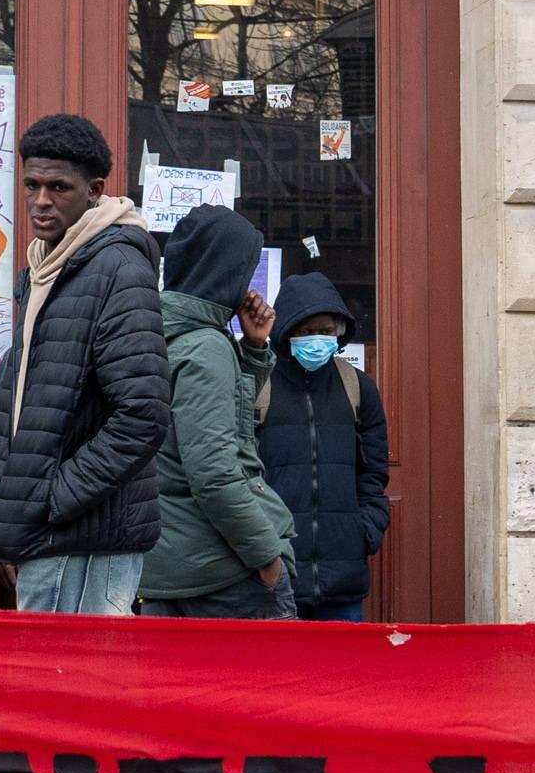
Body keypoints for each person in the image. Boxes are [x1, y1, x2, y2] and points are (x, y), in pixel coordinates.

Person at [0, 114, 170, 613]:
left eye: (59, 187)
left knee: (74, 665)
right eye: (32, 185)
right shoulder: (50, 265)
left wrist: (51, 499)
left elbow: (143, 415)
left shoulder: (116, 267)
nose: (41, 200)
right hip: (52, 534)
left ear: (94, 191)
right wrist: (17, 512)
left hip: (85, 539)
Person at [137, 205, 295, 618]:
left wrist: (253, 349)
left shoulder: (154, 330)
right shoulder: (205, 347)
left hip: (166, 564)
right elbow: (214, 474)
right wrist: (268, 559)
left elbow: (206, 424)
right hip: (222, 571)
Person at [253, 271, 392, 624]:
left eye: (326, 330)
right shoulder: (258, 385)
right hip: (273, 574)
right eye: (306, 330)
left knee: (343, 661)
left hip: (343, 578)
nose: (317, 339)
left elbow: (374, 473)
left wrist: (365, 532)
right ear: (286, 332)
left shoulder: (357, 387)